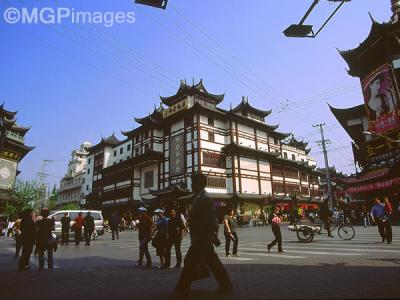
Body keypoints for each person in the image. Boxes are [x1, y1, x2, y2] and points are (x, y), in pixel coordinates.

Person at [174, 173, 232, 298]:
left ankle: (181, 291)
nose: (192, 185)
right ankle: (226, 285)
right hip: (200, 238)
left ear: (199, 184)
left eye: (193, 183)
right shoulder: (198, 197)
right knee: (213, 263)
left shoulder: (205, 198)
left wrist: (213, 235)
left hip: (202, 238)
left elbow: (213, 220)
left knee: (190, 262)